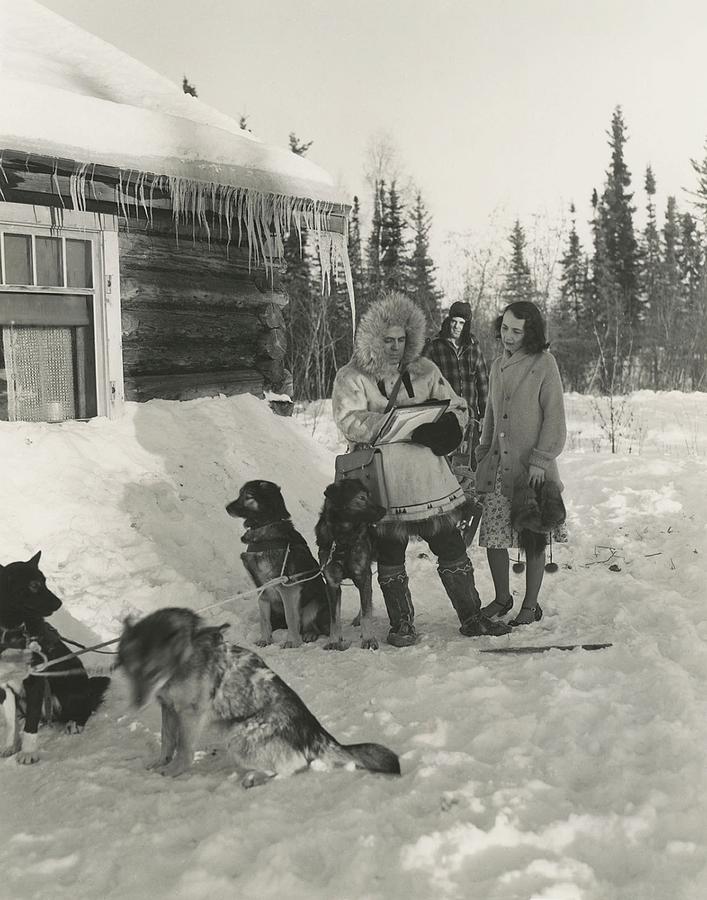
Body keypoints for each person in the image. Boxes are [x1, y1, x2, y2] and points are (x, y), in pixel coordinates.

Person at [332, 291, 511, 647]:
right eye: (388, 340)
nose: (396, 347)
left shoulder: (425, 369)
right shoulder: (352, 375)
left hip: (429, 479)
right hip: (383, 478)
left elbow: (458, 406)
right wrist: (391, 424)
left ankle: (472, 617)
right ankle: (402, 624)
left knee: (450, 544)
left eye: (402, 340)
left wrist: (447, 428)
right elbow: (348, 419)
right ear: (373, 338)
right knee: (390, 552)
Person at [475, 300, 567, 626]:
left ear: (530, 332)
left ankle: (531, 605)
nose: (508, 336)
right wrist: (483, 452)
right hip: (500, 465)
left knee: (533, 536)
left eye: (516, 331)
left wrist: (542, 459)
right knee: (494, 536)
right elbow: (490, 412)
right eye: (504, 328)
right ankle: (502, 598)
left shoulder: (545, 363)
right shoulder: (497, 364)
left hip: (533, 469)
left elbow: (554, 416)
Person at [423, 301, 489, 469]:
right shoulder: (435, 346)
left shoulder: (473, 347)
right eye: (454, 321)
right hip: (445, 418)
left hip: (471, 418)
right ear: (449, 320)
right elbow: (423, 383)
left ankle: (471, 494)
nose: (457, 326)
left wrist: (484, 414)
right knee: (444, 466)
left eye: (462, 323)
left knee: (471, 465)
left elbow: (482, 383)